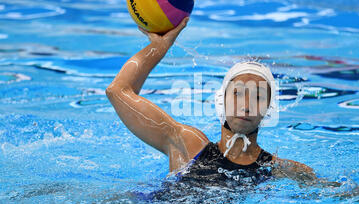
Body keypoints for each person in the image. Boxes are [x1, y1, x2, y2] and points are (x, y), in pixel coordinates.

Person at [106, 17, 318, 188]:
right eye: (237, 94)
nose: (246, 105)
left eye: (258, 97)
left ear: (268, 109)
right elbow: (117, 91)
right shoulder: (187, 145)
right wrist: (159, 47)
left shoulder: (280, 170)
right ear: (222, 100)